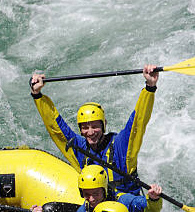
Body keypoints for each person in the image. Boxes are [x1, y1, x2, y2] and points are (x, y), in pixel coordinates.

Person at [30, 64, 159, 194]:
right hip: (96, 206)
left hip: (127, 205)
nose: (90, 132)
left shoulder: (122, 144)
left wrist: (150, 87)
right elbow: (55, 127)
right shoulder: (78, 147)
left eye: (95, 126)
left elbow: (138, 121)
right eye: (85, 128)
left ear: (104, 125)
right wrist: (37, 95)